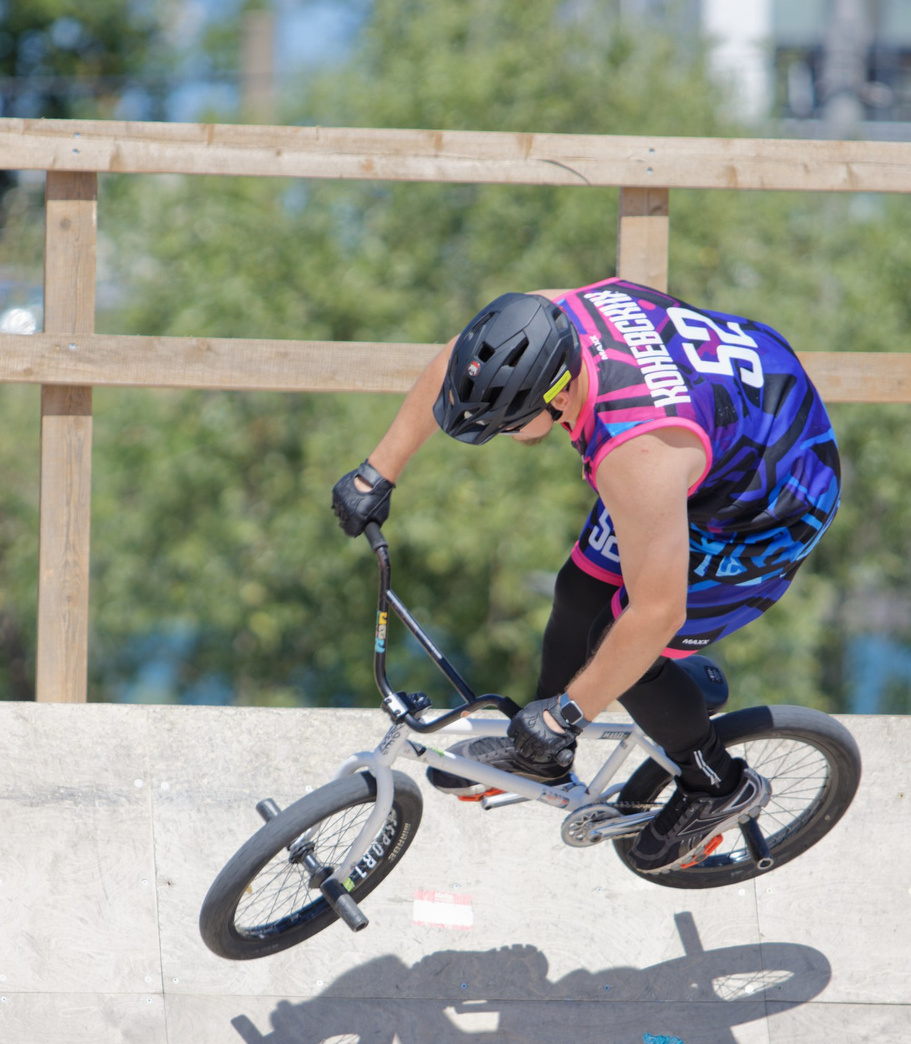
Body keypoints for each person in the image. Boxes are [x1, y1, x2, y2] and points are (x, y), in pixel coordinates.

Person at [330, 282, 839, 872]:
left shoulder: (634, 453)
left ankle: (717, 787)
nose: (500, 436)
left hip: (766, 504)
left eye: (507, 424)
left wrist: (566, 714)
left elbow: (656, 613)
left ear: (555, 398)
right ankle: (542, 758)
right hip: (721, 422)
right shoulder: (551, 320)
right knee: (578, 589)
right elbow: (462, 356)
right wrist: (377, 472)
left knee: (621, 648)